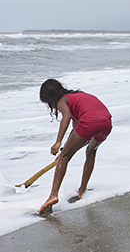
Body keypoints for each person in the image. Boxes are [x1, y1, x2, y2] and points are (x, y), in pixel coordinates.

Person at [38, 79, 112, 214]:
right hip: (106, 123)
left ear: (50, 97)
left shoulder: (62, 101)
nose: (51, 106)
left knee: (64, 158)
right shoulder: (77, 98)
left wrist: (58, 143)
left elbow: (66, 116)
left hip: (90, 122)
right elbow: (77, 130)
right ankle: (82, 190)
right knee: (91, 151)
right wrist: (65, 149)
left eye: (48, 102)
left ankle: (53, 195)